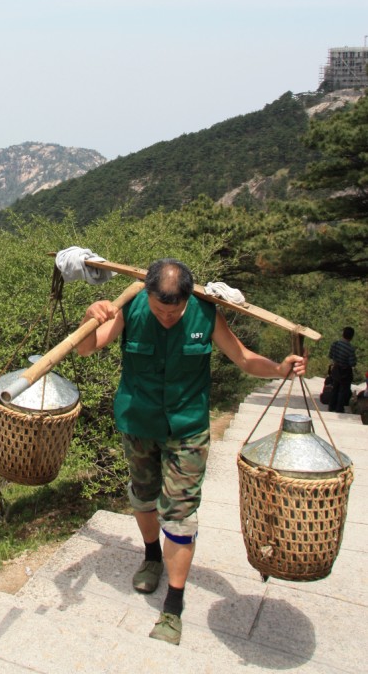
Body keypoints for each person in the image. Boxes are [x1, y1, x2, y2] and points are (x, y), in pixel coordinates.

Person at [77, 258, 306, 647]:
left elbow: (244, 358)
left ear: (187, 299)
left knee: (181, 514)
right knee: (143, 496)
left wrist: (280, 369)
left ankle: (173, 605)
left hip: (187, 428)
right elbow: (85, 348)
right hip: (138, 422)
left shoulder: (205, 313)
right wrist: (90, 317)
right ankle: (151, 556)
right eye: (160, 308)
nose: (167, 317)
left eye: (175, 310)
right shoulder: (130, 307)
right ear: (147, 294)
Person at [328, 326, 357, 413]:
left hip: (336, 368)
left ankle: (331, 406)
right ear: (351, 337)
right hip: (345, 371)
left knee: (335, 387)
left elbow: (330, 355)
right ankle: (339, 408)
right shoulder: (350, 349)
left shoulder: (335, 344)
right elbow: (352, 363)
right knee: (343, 390)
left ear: (343, 334)